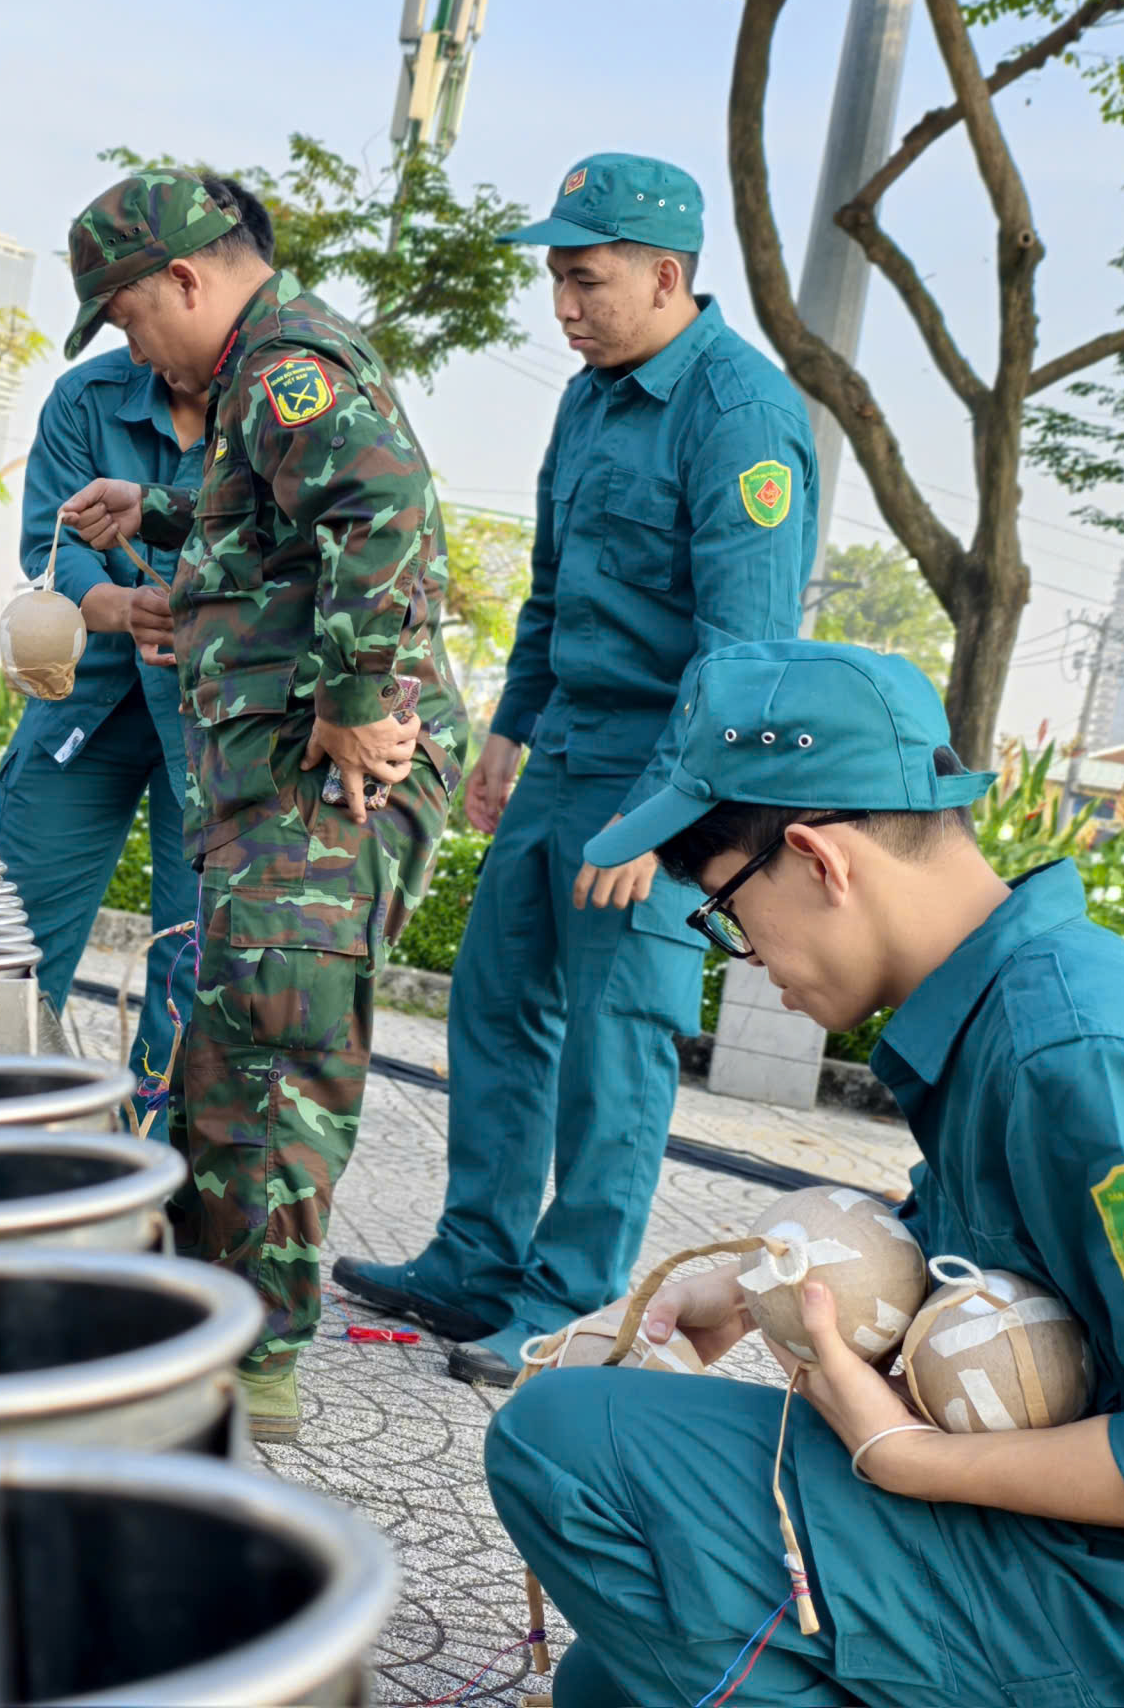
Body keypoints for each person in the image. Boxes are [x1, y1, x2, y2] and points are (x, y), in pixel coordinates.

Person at [488, 638, 1124, 1708]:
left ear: (820, 861)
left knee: (564, 1440)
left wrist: (914, 1461)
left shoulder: (1083, 1066)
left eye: (724, 909)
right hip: (1103, 1568)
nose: (746, 955)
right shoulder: (1005, 1013)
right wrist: (752, 1287)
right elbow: (998, 1255)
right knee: (608, 1686)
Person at [333, 153, 818, 1386]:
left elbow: (742, 659)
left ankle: (569, 1303)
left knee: (620, 1041)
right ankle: (474, 1263)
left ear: (666, 276)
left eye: (585, 280)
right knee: (497, 1004)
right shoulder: (589, 397)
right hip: (568, 753)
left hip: (676, 770)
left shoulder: (741, 416)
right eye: (555, 278)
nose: (563, 305)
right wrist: (508, 731)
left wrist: (660, 825)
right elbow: (552, 593)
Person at [57, 165, 467, 1443]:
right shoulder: (248, 387)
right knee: (228, 1047)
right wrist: (161, 510)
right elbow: (274, 519)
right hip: (270, 781)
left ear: (186, 278)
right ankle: (202, 1317)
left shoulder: (291, 360)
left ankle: (256, 1366)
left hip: (327, 773)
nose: (133, 346)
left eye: (127, 319)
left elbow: (377, 504)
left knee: (278, 1053)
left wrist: (351, 692)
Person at [0, 306, 219, 1077]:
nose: (132, 341)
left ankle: (153, 1164)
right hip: (88, 708)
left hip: (216, 726)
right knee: (15, 941)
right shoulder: (84, 398)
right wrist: (123, 610)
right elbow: (48, 545)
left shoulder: (274, 404)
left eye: (139, 315)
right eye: (119, 320)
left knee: (192, 961)